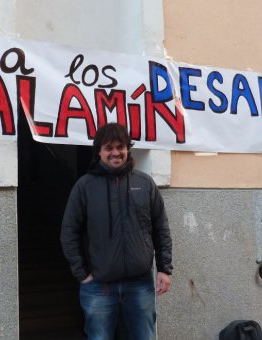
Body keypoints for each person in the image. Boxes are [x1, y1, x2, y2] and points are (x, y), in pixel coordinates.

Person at [60, 123, 173, 340]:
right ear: (99, 152)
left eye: (120, 147)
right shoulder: (84, 187)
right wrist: (81, 273)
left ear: (127, 149)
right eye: (109, 148)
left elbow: (161, 228)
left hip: (140, 284)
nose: (115, 153)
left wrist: (164, 269)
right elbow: (69, 232)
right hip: (98, 287)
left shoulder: (145, 183)